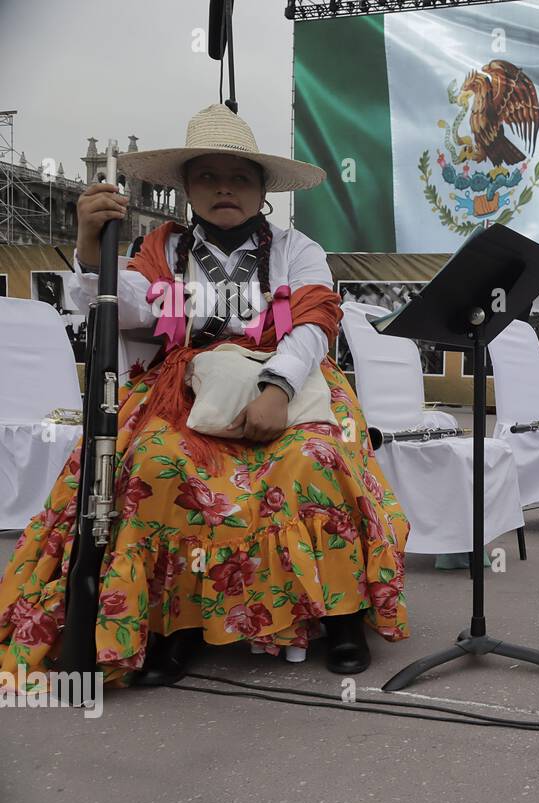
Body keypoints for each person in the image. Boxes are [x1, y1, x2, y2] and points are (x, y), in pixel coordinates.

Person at [0, 104, 411, 687]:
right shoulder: (162, 250)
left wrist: (275, 388)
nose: (225, 188)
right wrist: (93, 251)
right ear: (187, 188)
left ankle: (342, 614)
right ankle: (178, 625)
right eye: (209, 177)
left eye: (240, 176)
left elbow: (315, 323)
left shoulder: (298, 250)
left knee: (314, 462)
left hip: (291, 380)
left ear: (263, 189)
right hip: (183, 389)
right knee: (156, 466)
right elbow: (127, 304)